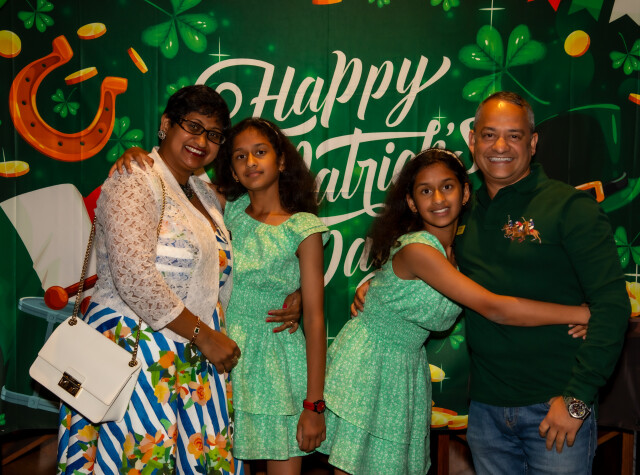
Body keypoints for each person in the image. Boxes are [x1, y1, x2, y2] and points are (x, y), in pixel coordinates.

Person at [326, 148, 592, 475]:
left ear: (465, 193)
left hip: (404, 368)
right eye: (425, 191)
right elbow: (495, 307)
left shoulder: (458, 250)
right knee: (354, 466)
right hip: (370, 363)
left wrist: (373, 284)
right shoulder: (419, 249)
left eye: (447, 187)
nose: (438, 199)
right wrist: (582, 314)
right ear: (412, 202)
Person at [57, 85, 244, 474]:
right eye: (193, 126)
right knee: (140, 460)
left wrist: (294, 291)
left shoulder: (205, 194)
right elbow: (135, 277)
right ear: (166, 124)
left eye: (213, 134)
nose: (202, 141)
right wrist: (204, 336)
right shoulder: (134, 178)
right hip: (136, 353)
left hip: (194, 359)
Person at [457, 91, 629, 474]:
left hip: (555, 408)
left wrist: (576, 402)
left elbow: (613, 306)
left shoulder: (571, 208)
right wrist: (376, 286)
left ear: (533, 143)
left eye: (514, 135)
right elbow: (424, 260)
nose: (500, 146)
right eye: (489, 135)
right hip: (485, 413)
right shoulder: (460, 209)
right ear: (472, 140)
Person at [215, 118, 328, 475]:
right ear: (232, 170)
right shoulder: (226, 211)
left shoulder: (302, 227)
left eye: (260, 152)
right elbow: (175, 178)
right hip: (222, 360)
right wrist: (142, 156)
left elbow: (315, 319)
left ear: (280, 161)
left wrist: (314, 404)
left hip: (277, 366)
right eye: (240, 156)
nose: (250, 162)